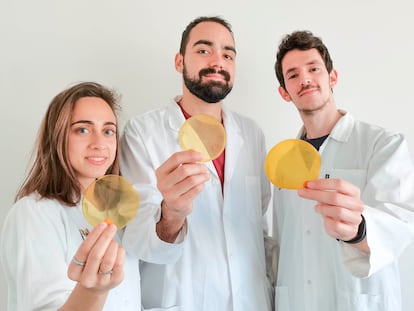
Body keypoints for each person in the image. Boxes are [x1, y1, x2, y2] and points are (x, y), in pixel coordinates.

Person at [120, 16, 273, 310]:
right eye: (204, 50)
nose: (218, 61)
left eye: (228, 54)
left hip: (251, 301)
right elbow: (135, 238)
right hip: (180, 300)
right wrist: (172, 213)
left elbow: (259, 228)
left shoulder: (251, 133)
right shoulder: (144, 132)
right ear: (179, 62)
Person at [272, 30, 414, 311]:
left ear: (332, 78)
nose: (305, 79)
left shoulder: (382, 144)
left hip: (359, 301)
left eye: (313, 69)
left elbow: (400, 224)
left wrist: (358, 230)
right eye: (293, 75)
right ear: (284, 93)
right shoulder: (282, 162)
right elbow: (282, 242)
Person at [0, 82, 141, 310]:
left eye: (108, 131)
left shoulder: (117, 215)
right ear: (57, 138)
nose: (99, 144)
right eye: (83, 130)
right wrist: (92, 291)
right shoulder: (34, 214)